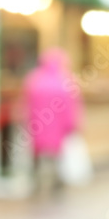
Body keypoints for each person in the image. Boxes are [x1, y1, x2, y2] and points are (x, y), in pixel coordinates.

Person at [23, 49, 81, 194]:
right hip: (58, 129)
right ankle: (57, 182)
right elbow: (72, 108)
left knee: (37, 156)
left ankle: (36, 181)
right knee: (57, 155)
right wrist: (73, 125)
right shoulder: (66, 80)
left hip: (36, 127)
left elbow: (25, 104)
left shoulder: (33, 79)